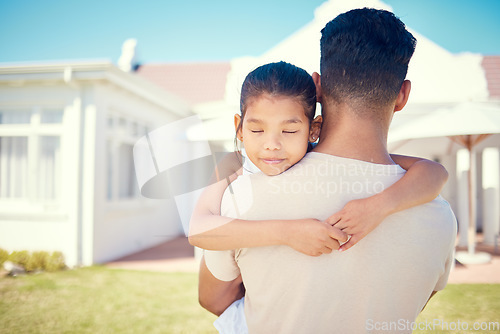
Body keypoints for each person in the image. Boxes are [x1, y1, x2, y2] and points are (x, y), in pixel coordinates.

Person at [197, 7, 457, 334]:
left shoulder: (243, 195)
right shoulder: (439, 215)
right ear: (402, 95)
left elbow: (213, 299)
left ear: (317, 86)